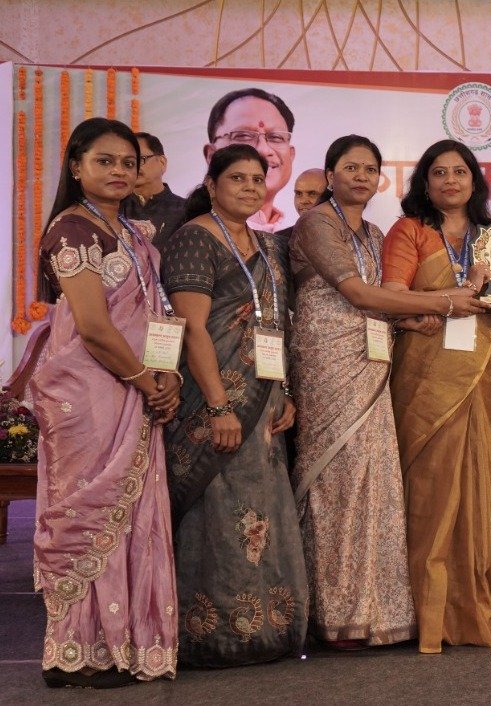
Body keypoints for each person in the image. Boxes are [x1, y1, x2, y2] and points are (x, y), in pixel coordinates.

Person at [288, 134, 489, 649]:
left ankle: (373, 611)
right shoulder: (317, 223)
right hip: (328, 361)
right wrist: (446, 302)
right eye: (350, 167)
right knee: (338, 476)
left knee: (375, 479)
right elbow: (357, 293)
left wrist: (410, 320)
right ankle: (331, 612)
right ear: (329, 174)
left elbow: (384, 304)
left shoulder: (374, 233)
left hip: (374, 358)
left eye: (369, 169)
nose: (360, 176)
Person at [26, 117, 179, 687]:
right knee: (89, 516)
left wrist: (168, 375)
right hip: (88, 395)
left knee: (135, 514)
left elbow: (157, 315)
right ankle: (74, 652)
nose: (119, 171)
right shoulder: (72, 230)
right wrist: (145, 379)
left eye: (128, 162)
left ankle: (123, 646)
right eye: (104, 161)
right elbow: (92, 326)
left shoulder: (135, 233)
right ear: (76, 166)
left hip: (135, 387)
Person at [382, 139, 491, 653]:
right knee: (429, 489)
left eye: (460, 171)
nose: (450, 180)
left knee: (475, 490)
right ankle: (426, 614)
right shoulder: (410, 231)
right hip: (424, 377)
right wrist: (451, 298)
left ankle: (471, 610)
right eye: (439, 172)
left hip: (479, 374)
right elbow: (392, 297)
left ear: (475, 180)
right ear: (424, 183)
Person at [159, 144, 306, 666]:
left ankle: (265, 628)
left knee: (260, 506)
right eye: (237, 178)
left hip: (262, 400)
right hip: (213, 401)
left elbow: (273, 324)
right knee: (216, 508)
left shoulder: (266, 244)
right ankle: (212, 634)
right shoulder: (194, 238)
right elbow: (193, 327)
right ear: (212, 184)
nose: (249, 187)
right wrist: (220, 406)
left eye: (257, 179)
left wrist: (283, 389)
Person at [204, 88, 296, 230]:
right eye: (244, 136)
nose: (263, 150)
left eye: (276, 137)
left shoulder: (297, 233)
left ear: (291, 155)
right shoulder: (197, 230)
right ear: (211, 155)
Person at [126, 131, 187, 246]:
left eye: (140, 159)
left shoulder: (186, 210)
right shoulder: (114, 209)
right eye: (128, 162)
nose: (134, 166)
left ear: (162, 162)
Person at [275, 168, 327, 249]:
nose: (303, 201)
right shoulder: (280, 239)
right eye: (299, 194)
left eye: (312, 194)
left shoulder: (345, 236)